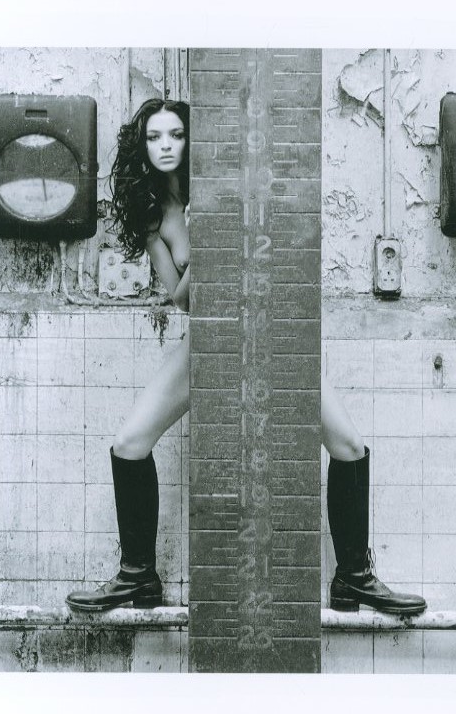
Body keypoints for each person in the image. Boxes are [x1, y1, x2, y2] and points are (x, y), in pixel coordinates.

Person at [66, 98, 426, 618]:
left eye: (176, 135)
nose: (165, 146)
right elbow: (182, 298)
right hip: (210, 337)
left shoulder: (224, 190)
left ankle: (353, 579)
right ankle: (138, 576)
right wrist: (210, 240)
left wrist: (221, 223)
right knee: (129, 443)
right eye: (154, 137)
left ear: (192, 141)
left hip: (269, 331)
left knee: (348, 445)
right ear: (142, 147)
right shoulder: (153, 214)